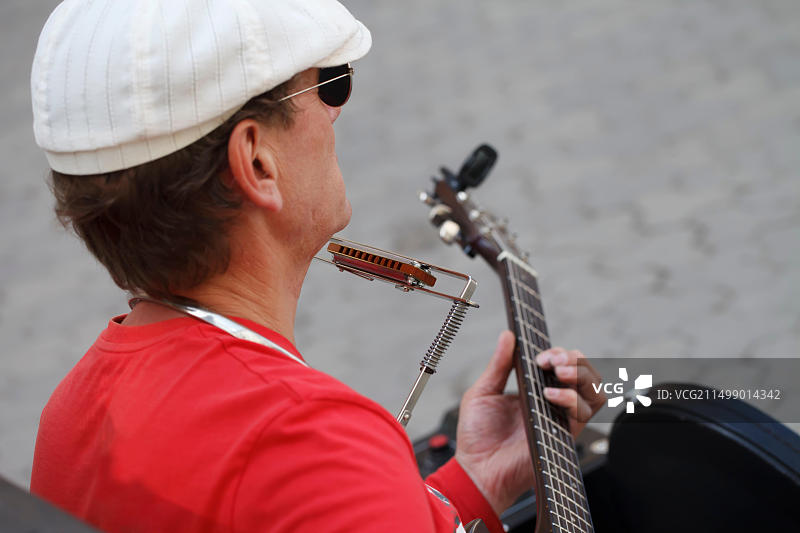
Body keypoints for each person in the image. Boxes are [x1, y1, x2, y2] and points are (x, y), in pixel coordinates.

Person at [29, 1, 606, 531]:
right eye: (330, 85)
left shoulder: (70, 414)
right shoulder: (313, 440)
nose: (337, 112)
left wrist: (479, 475)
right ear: (257, 162)